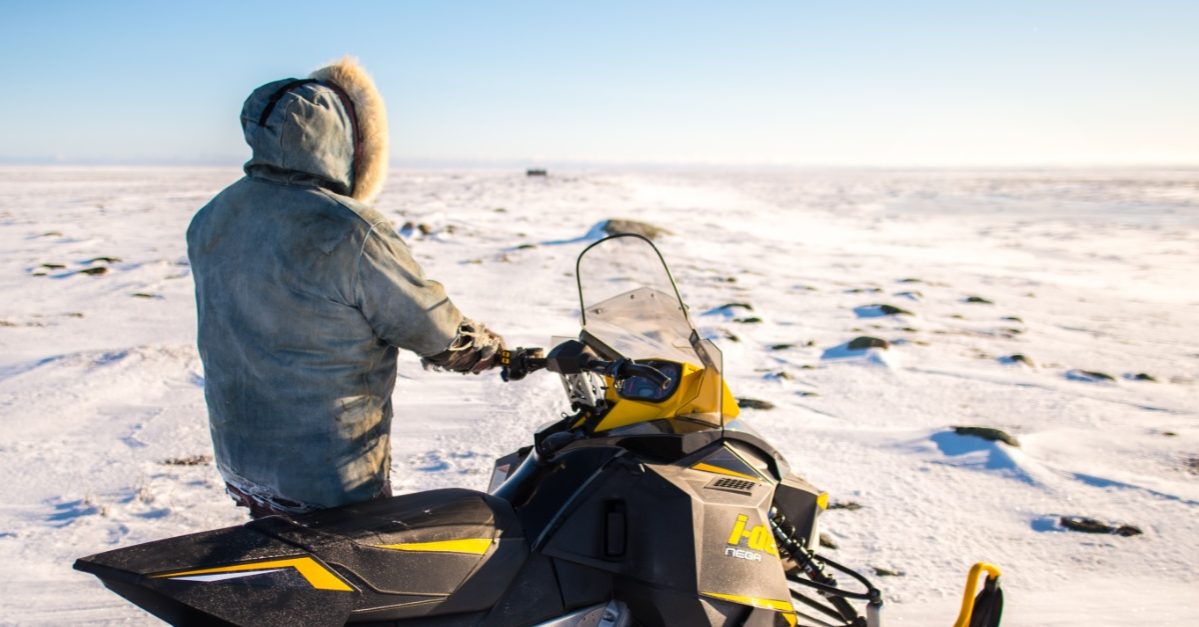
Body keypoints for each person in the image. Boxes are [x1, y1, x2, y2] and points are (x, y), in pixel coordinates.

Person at [187, 57, 503, 518]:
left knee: (280, 561)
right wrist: (483, 348)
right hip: (328, 471)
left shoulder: (213, 215)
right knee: (353, 579)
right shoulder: (352, 230)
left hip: (242, 454)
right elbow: (430, 326)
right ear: (345, 140)